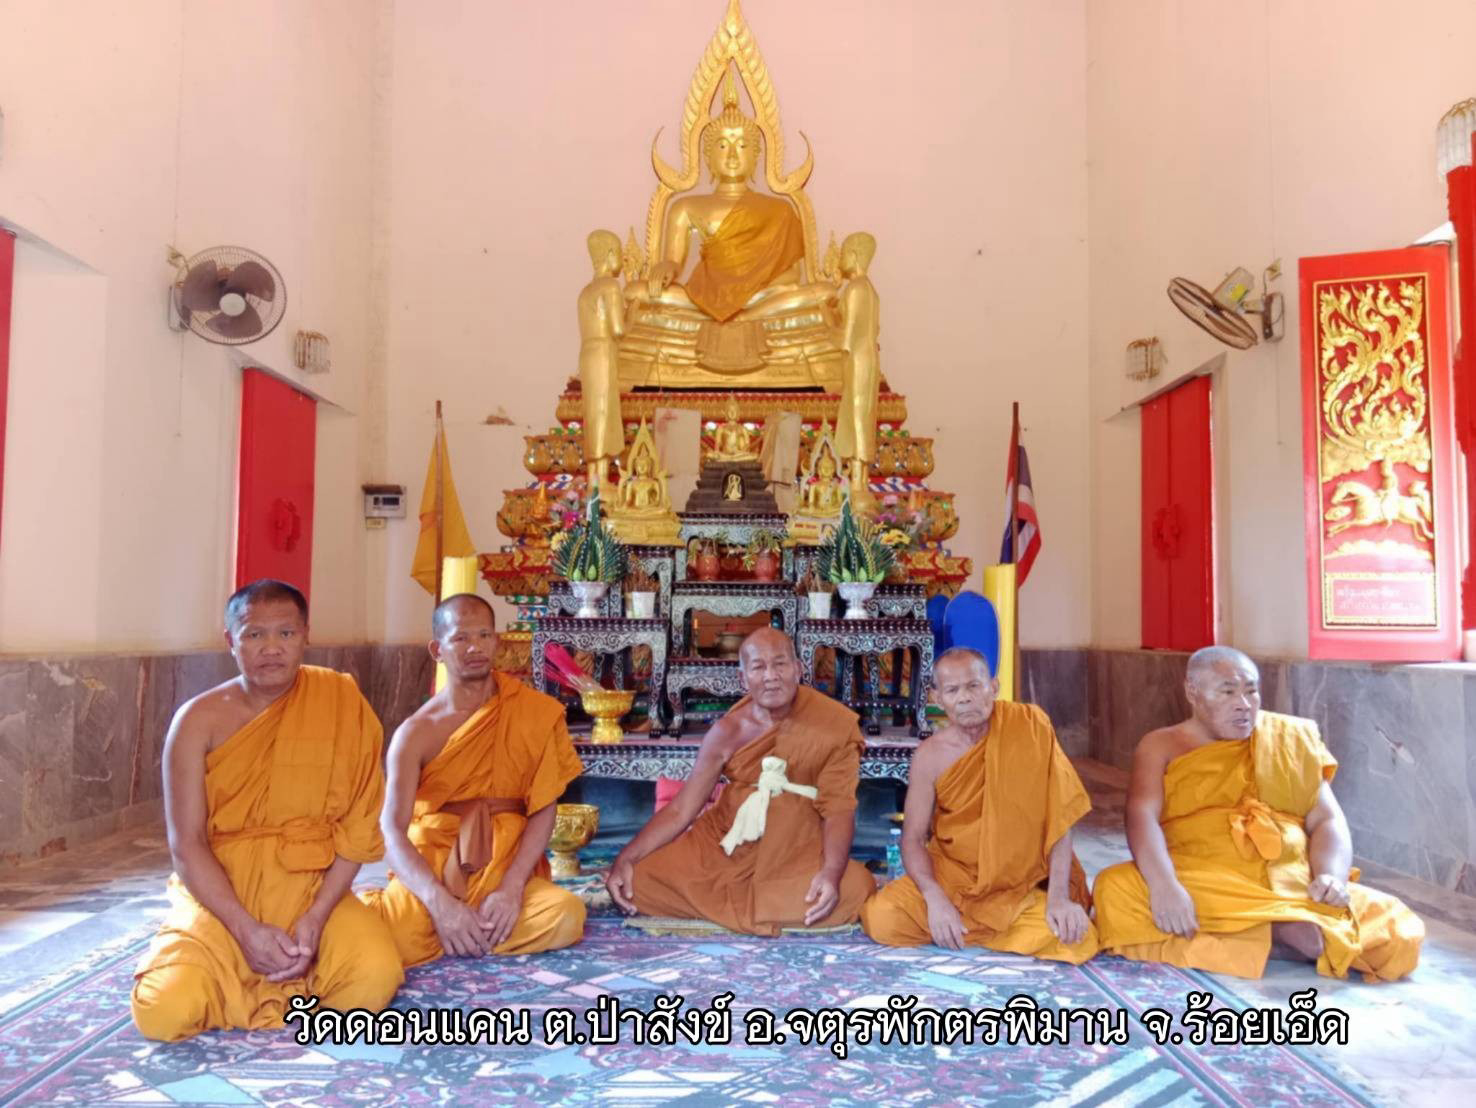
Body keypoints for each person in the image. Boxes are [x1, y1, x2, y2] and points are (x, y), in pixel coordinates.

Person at [131, 580, 401, 1041]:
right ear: (230, 640)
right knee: (164, 1011)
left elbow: (357, 829)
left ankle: (295, 975)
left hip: (312, 887)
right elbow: (187, 843)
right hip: (224, 894)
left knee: (374, 977)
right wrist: (245, 929)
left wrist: (317, 915)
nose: (271, 648)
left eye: (286, 634)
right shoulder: (196, 720)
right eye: (254, 634)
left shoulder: (340, 702)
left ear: (305, 636)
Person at [1093, 646, 1424, 981]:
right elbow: (1141, 816)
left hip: (1288, 877)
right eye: (1227, 692)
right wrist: (1165, 886)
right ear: (1192, 692)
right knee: (1114, 890)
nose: (1243, 704)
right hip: (1207, 878)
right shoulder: (1162, 744)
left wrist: (1330, 877)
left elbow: (1327, 819)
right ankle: (1280, 933)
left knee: (1397, 926)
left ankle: (1258, 935)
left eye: (1251, 691)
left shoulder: (1287, 738)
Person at [363, 594, 586, 966]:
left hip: (506, 860)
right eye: (460, 638)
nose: (475, 647)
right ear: (437, 649)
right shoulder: (415, 733)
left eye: (484, 635)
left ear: (497, 642)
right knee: (394, 936)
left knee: (565, 915)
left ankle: (467, 932)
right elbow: (390, 830)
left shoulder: (531, 712)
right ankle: (465, 927)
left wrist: (512, 888)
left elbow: (543, 808)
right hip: (436, 863)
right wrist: (438, 903)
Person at [607, 627, 874, 934]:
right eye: (758, 667)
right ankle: (765, 908)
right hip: (727, 849)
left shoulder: (833, 723)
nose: (771, 676)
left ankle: (736, 905)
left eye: (780, 664)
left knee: (856, 886)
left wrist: (831, 872)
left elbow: (839, 808)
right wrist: (626, 857)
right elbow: (682, 809)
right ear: (743, 679)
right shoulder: (728, 731)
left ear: (798, 669)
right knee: (637, 882)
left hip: (797, 849)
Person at [861, 648, 1097, 961]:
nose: (965, 698)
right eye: (952, 690)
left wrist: (1058, 898)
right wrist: (934, 898)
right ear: (937, 698)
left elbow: (1061, 821)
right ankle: (987, 929)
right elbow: (913, 838)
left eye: (974, 686)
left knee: (1078, 938)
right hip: (953, 878)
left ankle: (973, 929)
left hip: (1018, 885)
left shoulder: (1031, 726)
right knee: (882, 918)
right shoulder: (930, 755)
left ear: (993, 687)